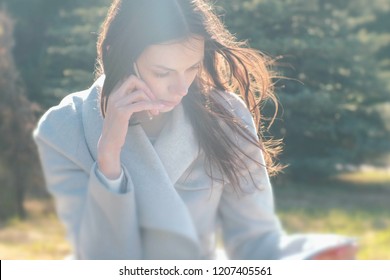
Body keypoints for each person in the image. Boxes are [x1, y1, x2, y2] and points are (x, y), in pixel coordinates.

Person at [33, 0, 356, 260]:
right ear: (121, 57)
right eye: (162, 72)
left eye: (192, 68)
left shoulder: (226, 115)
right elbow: (101, 260)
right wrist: (108, 158)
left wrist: (311, 259)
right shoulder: (63, 129)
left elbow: (256, 241)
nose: (181, 89)